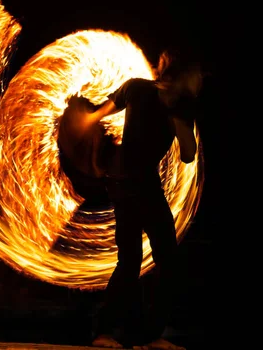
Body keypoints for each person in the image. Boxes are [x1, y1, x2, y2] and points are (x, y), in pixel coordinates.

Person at [58, 52, 203, 350]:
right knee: (153, 261)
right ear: (181, 75)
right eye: (197, 74)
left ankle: (127, 333)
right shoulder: (144, 91)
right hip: (134, 186)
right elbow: (96, 116)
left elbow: (187, 155)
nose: (201, 80)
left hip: (131, 184)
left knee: (142, 261)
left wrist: (85, 123)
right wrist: (80, 134)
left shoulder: (145, 91)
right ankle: (126, 334)